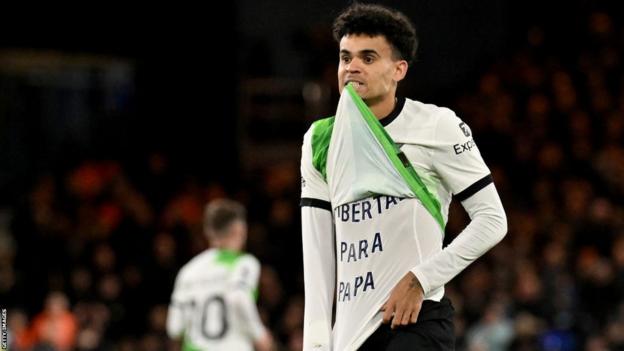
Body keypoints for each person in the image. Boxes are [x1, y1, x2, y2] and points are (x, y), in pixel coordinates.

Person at [300, 3, 507, 351]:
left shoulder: (437, 125)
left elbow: (492, 220)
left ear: (399, 69)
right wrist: (317, 343)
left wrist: (421, 280)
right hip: (352, 334)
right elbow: (318, 257)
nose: (351, 67)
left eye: (367, 58)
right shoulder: (320, 139)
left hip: (417, 321)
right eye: (345, 57)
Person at [166, 199, 274, 351]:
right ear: (239, 229)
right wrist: (260, 335)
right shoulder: (243, 263)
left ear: (208, 232)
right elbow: (239, 298)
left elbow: (174, 328)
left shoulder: (187, 271)